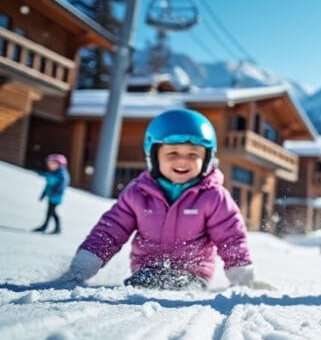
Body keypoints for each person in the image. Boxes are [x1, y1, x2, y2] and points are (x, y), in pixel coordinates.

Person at [56, 109, 271, 291]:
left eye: (193, 155)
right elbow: (111, 230)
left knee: (183, 283)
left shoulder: (213, 197)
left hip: (192, 273)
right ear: (154, 157)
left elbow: (231, 237)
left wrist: (243, 276)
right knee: (145, 281)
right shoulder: (138, 193)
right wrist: (82, 267)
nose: (182, 161)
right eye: (173, 153)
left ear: (206, 159)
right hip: (146, 270)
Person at [33, 153, 70, 235]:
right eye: (49, 164)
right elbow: (48, 185)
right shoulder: (51, 173)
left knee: (52, 212)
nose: (50, 166)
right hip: (51, 196)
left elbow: (63, 184)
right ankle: (45, 226)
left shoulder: (61, 174)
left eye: (53, 164)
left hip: (56, 197)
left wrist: (56, 191)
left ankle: (57, 228)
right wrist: (43, 194)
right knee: (50, 212)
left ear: (59, 164)